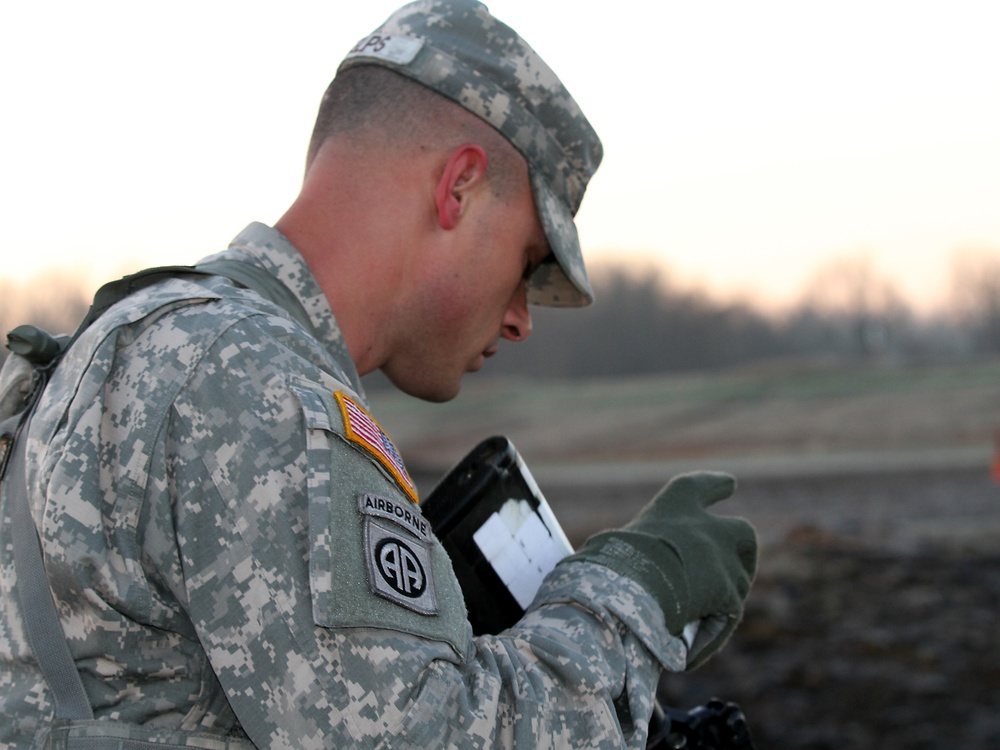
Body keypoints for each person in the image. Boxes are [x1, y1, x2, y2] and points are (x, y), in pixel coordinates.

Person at [0, 1, 758, 748]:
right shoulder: (254, 384)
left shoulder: (160, 332)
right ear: (457, 186)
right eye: (527, 264)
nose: (522, 318)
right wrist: (634, 593)